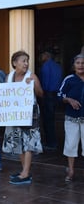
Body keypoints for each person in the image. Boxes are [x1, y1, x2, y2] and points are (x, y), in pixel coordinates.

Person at [2, 51, 44, 185]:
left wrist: (33, 84)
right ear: (14, 63)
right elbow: (3, 94)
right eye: (23, 61)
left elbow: (41, 94)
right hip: (14, 114)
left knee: (28, 143)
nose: (26, 63)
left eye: (27, 61)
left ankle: (25, 173)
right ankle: (24, 171)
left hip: (30, 113)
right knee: (18, 141)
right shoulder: (9, 77)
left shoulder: (31, 76)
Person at [58, 54, 84, 183]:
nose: (81, 65)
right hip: (72, 118)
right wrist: (68, 99)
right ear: (74, 66)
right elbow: (60, 94)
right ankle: (71, 170)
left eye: (83, 63)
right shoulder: (69, 79)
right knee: (70, 144)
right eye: (78, 63)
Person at [39, 50, 62, 151]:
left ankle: (51, 143)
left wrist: (41, 95)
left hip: (48, 94)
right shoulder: (57, 66)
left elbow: (45, 82)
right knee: (51, 119)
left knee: (48, 120)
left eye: (42, 55)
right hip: (56, 94)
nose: (41, 57)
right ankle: (52, 142)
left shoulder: (46, 66)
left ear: (47, 55)